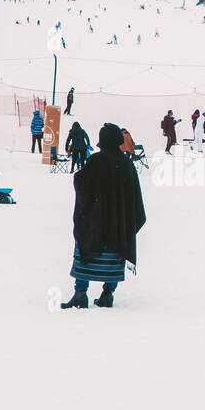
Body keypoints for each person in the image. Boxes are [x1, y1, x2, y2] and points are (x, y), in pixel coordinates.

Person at [61, 123, 146, 310]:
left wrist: (79, 178)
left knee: (86, 250)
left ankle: (80, 294)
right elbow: (135, 197)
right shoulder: (127, 164)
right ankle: (108, 294)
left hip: (95, 222)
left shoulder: (96, 161)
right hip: (118, 224)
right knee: (115, 254)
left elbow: (82, 184)